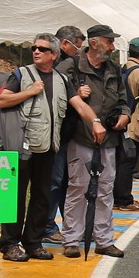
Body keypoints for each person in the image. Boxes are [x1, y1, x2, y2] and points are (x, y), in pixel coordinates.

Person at [0, 32, 69, 262]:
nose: (36, 51)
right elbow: (2, 100)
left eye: (42, 49)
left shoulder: (62, 80)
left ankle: (33, 242)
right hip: (22, 147)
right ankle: (9, 244)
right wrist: (29, 92)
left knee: (42, 197)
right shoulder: (22, 74)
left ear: (54, 55)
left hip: (47, 147)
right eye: (34, 48)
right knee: (16, 197)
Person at [58, 24, 130, 259]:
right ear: (95, 42)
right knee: (78, 188)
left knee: (105, 190)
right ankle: (71, 239)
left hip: (109, 138)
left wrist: (124, 115)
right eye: (109, 41)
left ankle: (104, 239)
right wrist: (77, 94)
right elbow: (59, 96)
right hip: (81, 136)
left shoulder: (114, 69)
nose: (111, 46)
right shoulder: (71, 66)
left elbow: (123, 99)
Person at [46, 25, 86, 243]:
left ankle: (65, 224)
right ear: (64, 44)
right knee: (55, 180)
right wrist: (76, 93)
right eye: (76, 47)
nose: (78, 52)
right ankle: (47, 225)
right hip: (55, 133)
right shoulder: (60, 66)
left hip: (67, 132)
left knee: (64, 181)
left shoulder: (66, 65)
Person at [113, 37, 139, 212]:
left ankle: (118, 197)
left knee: (120, 162)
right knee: (128, 163)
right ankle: (124, 199)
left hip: (121, 121)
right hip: (134, 123)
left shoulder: (123, 68)